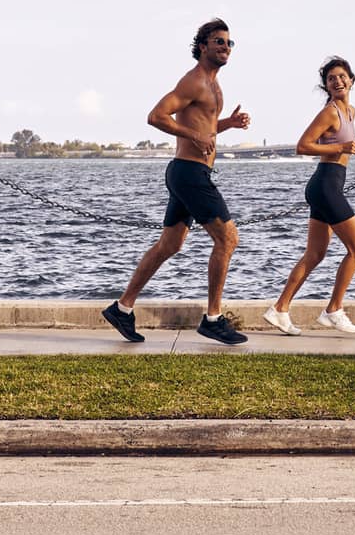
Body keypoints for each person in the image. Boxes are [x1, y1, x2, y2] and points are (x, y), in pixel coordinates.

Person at [102, 18, 251, 345]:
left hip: (190, 172)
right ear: (203, 46)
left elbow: (204, 125)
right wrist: (193, 134)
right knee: (227, 239)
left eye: (229, 43)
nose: (225, 47)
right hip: (189, 173)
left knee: (170, 244)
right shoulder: (194, 81)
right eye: (218, 42)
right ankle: (213, 319)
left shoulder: (214, 85)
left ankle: (122, 308)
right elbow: (156, 116)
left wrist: (228, 123)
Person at [264, 56, 355, 336]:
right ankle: (333, 310)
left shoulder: (350, 111)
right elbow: (302, 146)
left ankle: (279, 310)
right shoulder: (330, 112)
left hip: (329, 185)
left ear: (352, 79)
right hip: (326, 185)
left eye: (342, 76)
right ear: (326, 86)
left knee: (315, 253)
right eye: (331, 79)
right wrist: (343, 145)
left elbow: (345, 147)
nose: (338, 81)